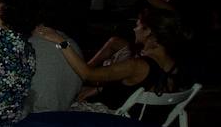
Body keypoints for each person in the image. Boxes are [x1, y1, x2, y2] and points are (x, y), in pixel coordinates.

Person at [36, 10, 190, 111]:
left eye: (137, 25)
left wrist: (61, 41)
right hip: (149, 121)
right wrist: (98, 89)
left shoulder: (138, 65)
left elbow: (87, 74)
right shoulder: (174, 64)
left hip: (122, 123)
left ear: (148, 31)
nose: (134, 29)